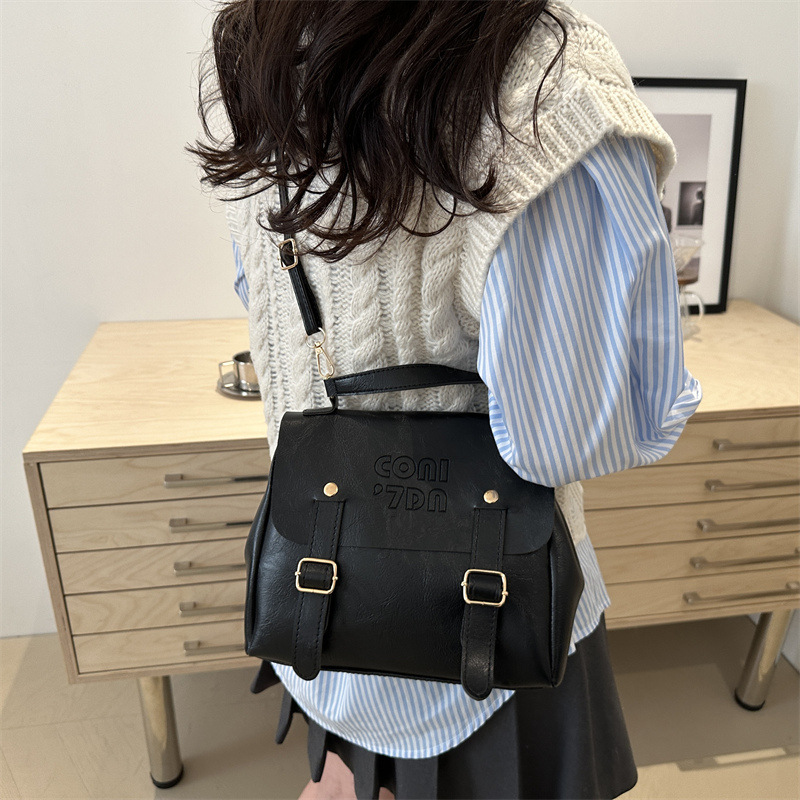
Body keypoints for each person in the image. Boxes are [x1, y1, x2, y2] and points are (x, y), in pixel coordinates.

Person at [188, 1, 702, 798]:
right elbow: (571, 438)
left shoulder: (258, 48)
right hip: (491, 638)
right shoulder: (547, 82)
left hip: (323, 593)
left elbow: (265, 305)